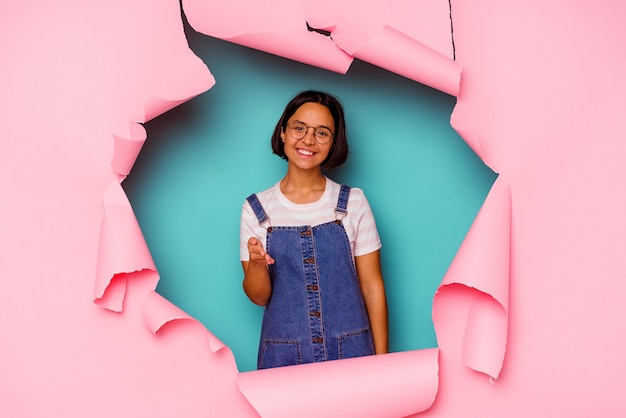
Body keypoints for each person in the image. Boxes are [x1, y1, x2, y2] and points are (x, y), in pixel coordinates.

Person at [240, 90, 388, 369]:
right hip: (283, 356)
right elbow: (258, 297)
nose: (308, 140)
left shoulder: (353, 202)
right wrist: (258, 265)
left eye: (322, 133)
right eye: (299, 128)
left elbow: (372, 288)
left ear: (333, 143)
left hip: (352, 350)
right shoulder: (257, 208)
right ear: (283, 132)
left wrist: (383, 364)